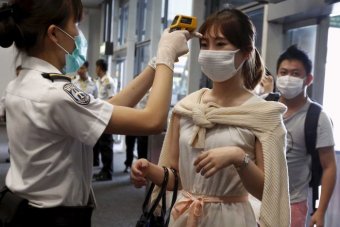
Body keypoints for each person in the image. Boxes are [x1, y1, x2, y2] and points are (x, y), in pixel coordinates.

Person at [0, 0, 194, 226]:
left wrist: (154, 64)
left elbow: (107, 108)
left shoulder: (24, 83)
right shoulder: (55, 92)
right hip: (53, 218)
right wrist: (167, 56)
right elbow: (153, 120)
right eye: (75, 23)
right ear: (54, 34)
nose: (77, 32)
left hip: (24, 209)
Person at [131, 8, 290, 227]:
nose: (210, 52)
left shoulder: (263, 115)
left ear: (245, 53)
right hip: (185, 216)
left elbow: (268, 192)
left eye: (221, 44)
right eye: (204, 44)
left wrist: (238, 158)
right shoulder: (187, 108)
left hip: (232, 219)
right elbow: (177, 178)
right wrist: (149, 169)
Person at [276, 45, 336, 227]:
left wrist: (321, 211)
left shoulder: (318, 117)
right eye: (283, 72)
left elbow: (329, 167)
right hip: (255, 199)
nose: (288, 78)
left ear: (308, 79)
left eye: (295, 74)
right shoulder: (264, 107)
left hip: (293, 203)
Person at [92, 58, 115, 181]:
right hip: (100, 114)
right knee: (102, 144)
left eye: (96, 67)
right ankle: (104, 169)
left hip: (106, 115)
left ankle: (108, 172)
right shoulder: (100, 81)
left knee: (106, 144)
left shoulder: (108, 81)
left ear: (100, 68)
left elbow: (112, 98)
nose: (95, 69)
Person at [124, 92, 149, 173]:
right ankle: (128, 164)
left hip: (142, 122)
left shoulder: (151, 92)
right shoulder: (136, 91)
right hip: (132, 120)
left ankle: (141, 169)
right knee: (129, 145)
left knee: (141, 147)